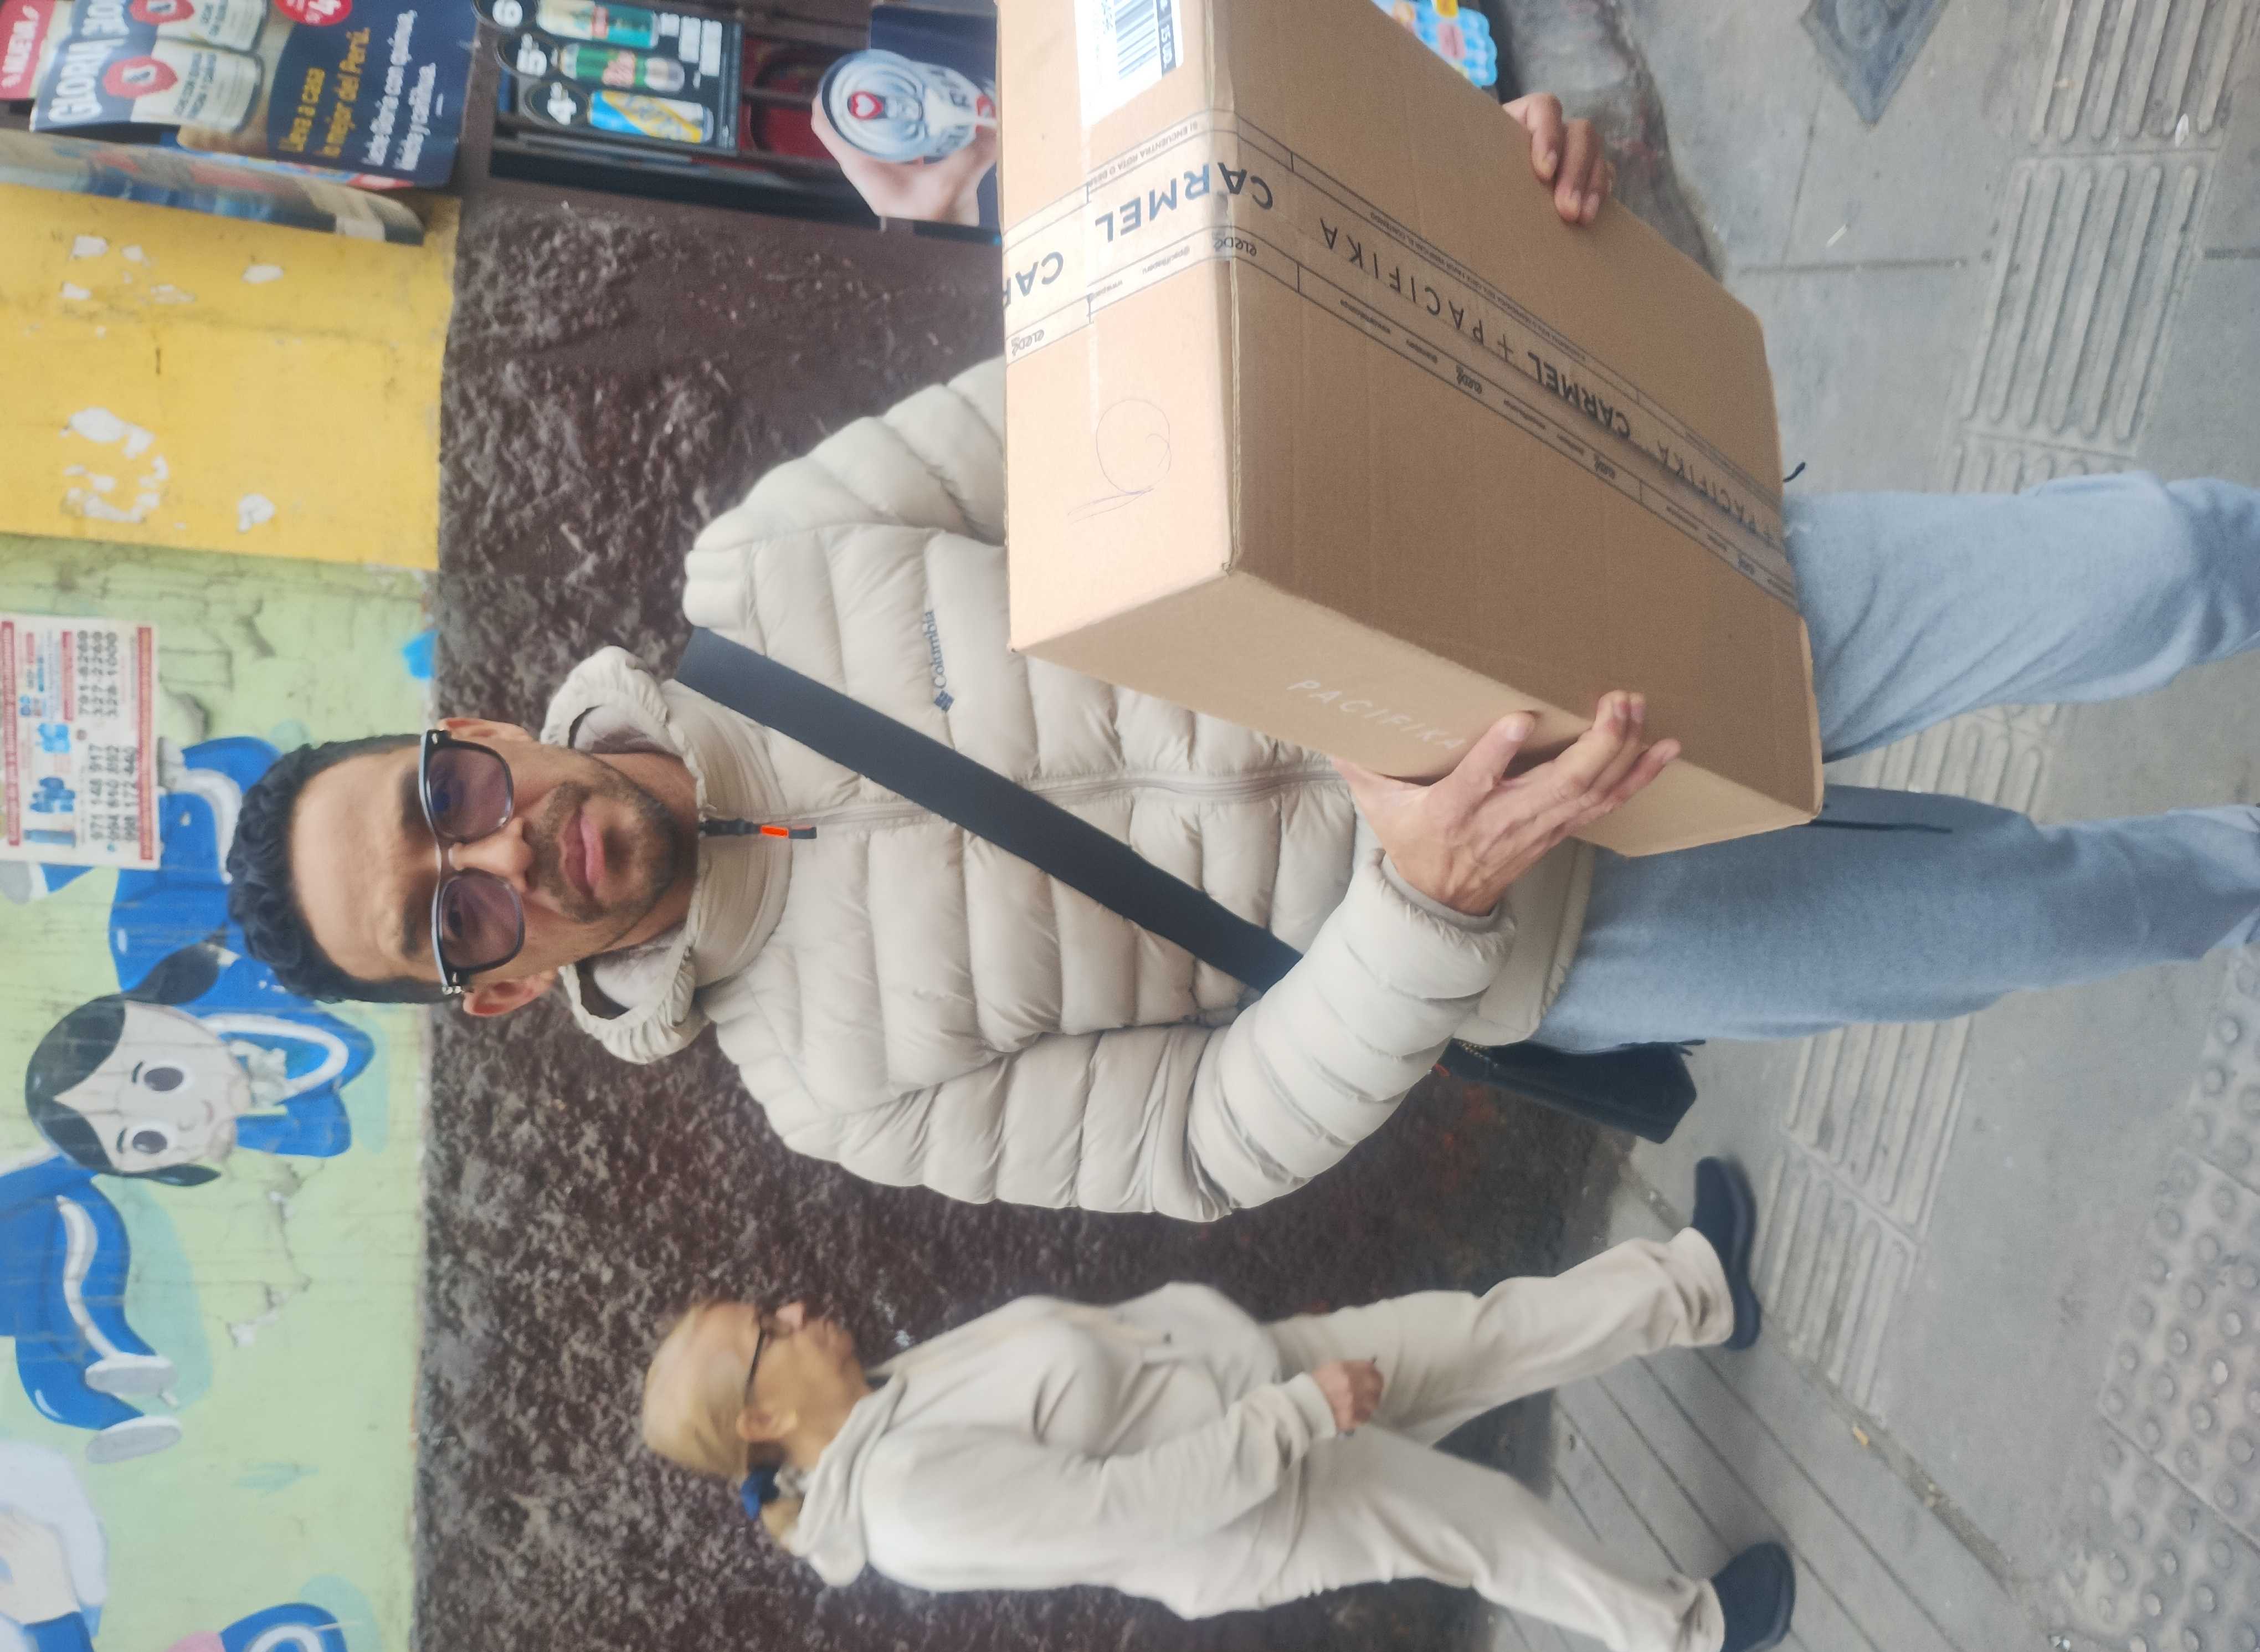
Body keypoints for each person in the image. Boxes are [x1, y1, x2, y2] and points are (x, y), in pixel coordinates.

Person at [224, 95, 2260, 1221]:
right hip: (1556, 937)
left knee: (2155, 562)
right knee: (2066, 909)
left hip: (1551, 614)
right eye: (450, 918)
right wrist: (1425, 906)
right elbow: (1205, 1140)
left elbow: (1141, 373)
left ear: (470, 727)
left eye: (440, 800)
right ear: (500, 991)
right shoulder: (832, 1085)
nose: (497, 852)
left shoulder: (770, 568)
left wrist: (1462, 203)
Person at [639, 1158, 1794, 1652]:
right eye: (770, 1329)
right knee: (1489, 1529)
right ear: (762, 1414)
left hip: (1267, 1383)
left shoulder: (887, 1393)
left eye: (771, 1305)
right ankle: (1691, 1641)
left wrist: (1267, 1364)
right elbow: (1122, 1511)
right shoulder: (905, 1506)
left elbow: (1099, 1363)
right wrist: (1294, 1414)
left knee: (1482, 1334)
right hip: (1259, 1502)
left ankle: (1698, 1292)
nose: (795, 1311)